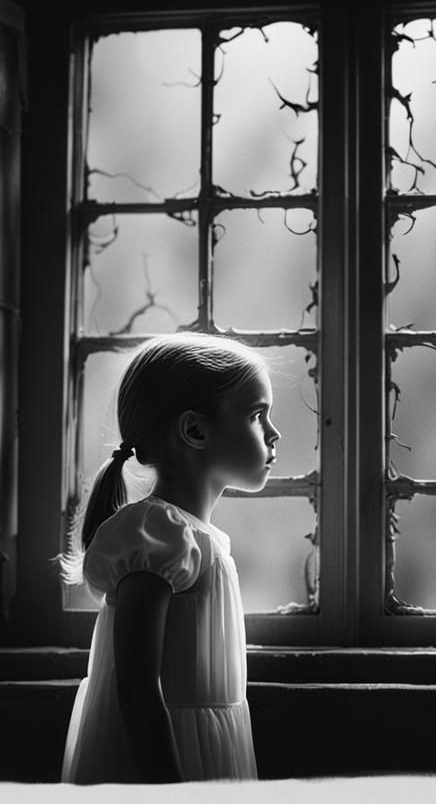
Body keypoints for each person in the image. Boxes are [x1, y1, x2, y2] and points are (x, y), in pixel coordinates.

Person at [59, 332, 279, 784]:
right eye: (258, 415)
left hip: (213, 746)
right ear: (195, 430)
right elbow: (137, 691)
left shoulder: (201, 540)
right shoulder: (160, 536)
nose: (274, 433)